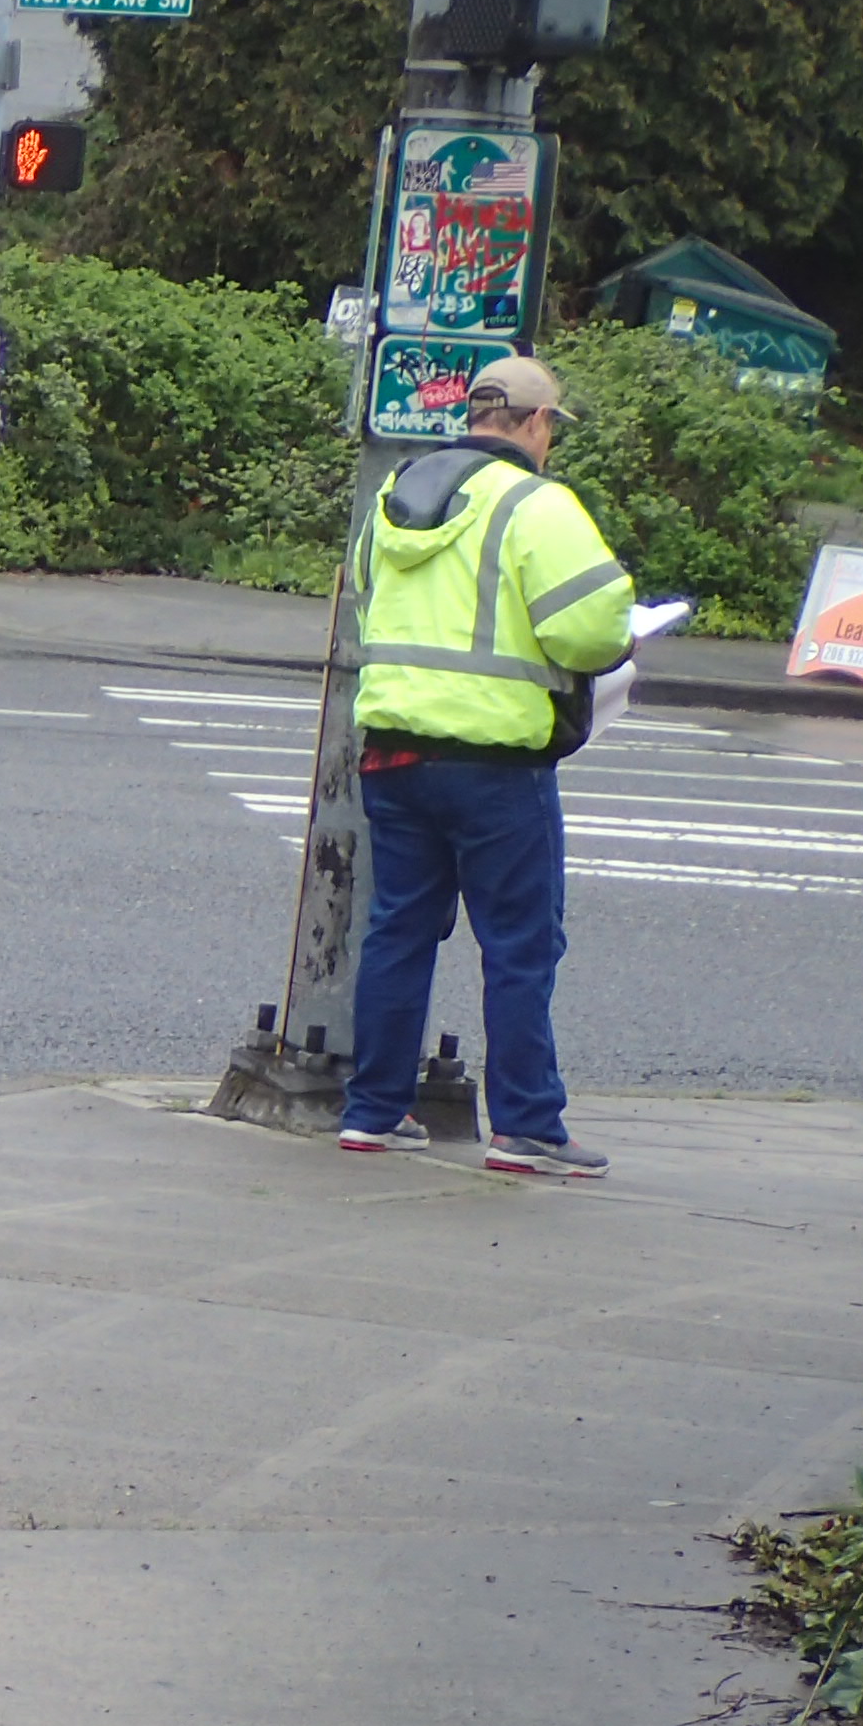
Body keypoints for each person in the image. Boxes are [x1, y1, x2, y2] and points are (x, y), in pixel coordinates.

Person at [333, 352, 639, 1178]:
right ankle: (528, 1125)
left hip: (393, 755)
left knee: (399, 929)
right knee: (519, 944)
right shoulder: (538, 505)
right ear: (538, 423)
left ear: (473, 414)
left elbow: (365, 598)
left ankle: (372, 1112)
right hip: (495, 764)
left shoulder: (395, 499)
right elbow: (592, 630)